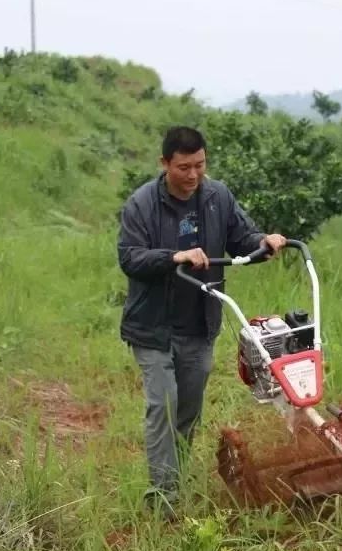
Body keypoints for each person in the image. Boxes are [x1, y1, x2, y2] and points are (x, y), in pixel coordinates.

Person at [117, 126, 286, 519]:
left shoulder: (217, 196)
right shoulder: (142, 204)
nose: (193, 175)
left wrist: (265, 242)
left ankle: (173, 479)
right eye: (183, 167)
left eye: (199, 165)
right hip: (153, 327)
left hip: (199, 324)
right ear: (164, 164)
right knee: (163, 405)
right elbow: (130, 257)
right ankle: (164, 498)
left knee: (187, 411)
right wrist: (174, 257)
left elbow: (242, 239)